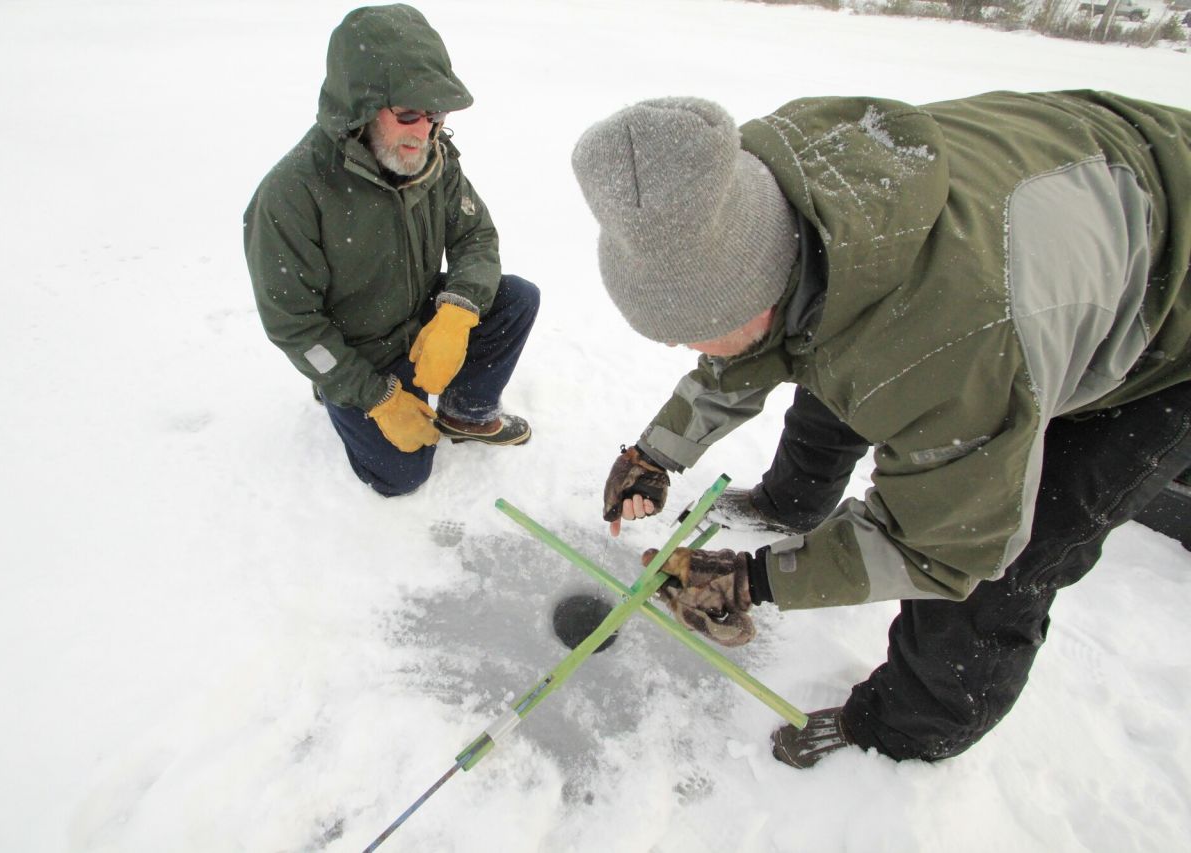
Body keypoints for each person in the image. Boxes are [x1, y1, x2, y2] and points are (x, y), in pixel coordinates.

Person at [571, 93, 1191, 767]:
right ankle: (793, 501)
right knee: (839, 362)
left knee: (1008, 548)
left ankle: (907, 730)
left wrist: (754, 581)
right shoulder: (755, 199)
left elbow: (942, 547)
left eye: (688, 332)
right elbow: (767, 340)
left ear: (755, 292)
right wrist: (656, 452)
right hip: (1080, 195)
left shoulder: (952, 341)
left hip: (1163, 311)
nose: (675, 347)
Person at [244, 4, 538, 497]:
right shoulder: (292, 193)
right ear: (359, 109)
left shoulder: (433, 159)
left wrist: (457, 313)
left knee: (516, 299)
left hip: (419, 318)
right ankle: (334, 390)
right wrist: (374, 396)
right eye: (407, 114)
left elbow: (476, 238)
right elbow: (294, 325)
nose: (424, 131)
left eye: (435, 114)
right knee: (402, 476)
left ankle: (466, 414)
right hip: (359, 351)